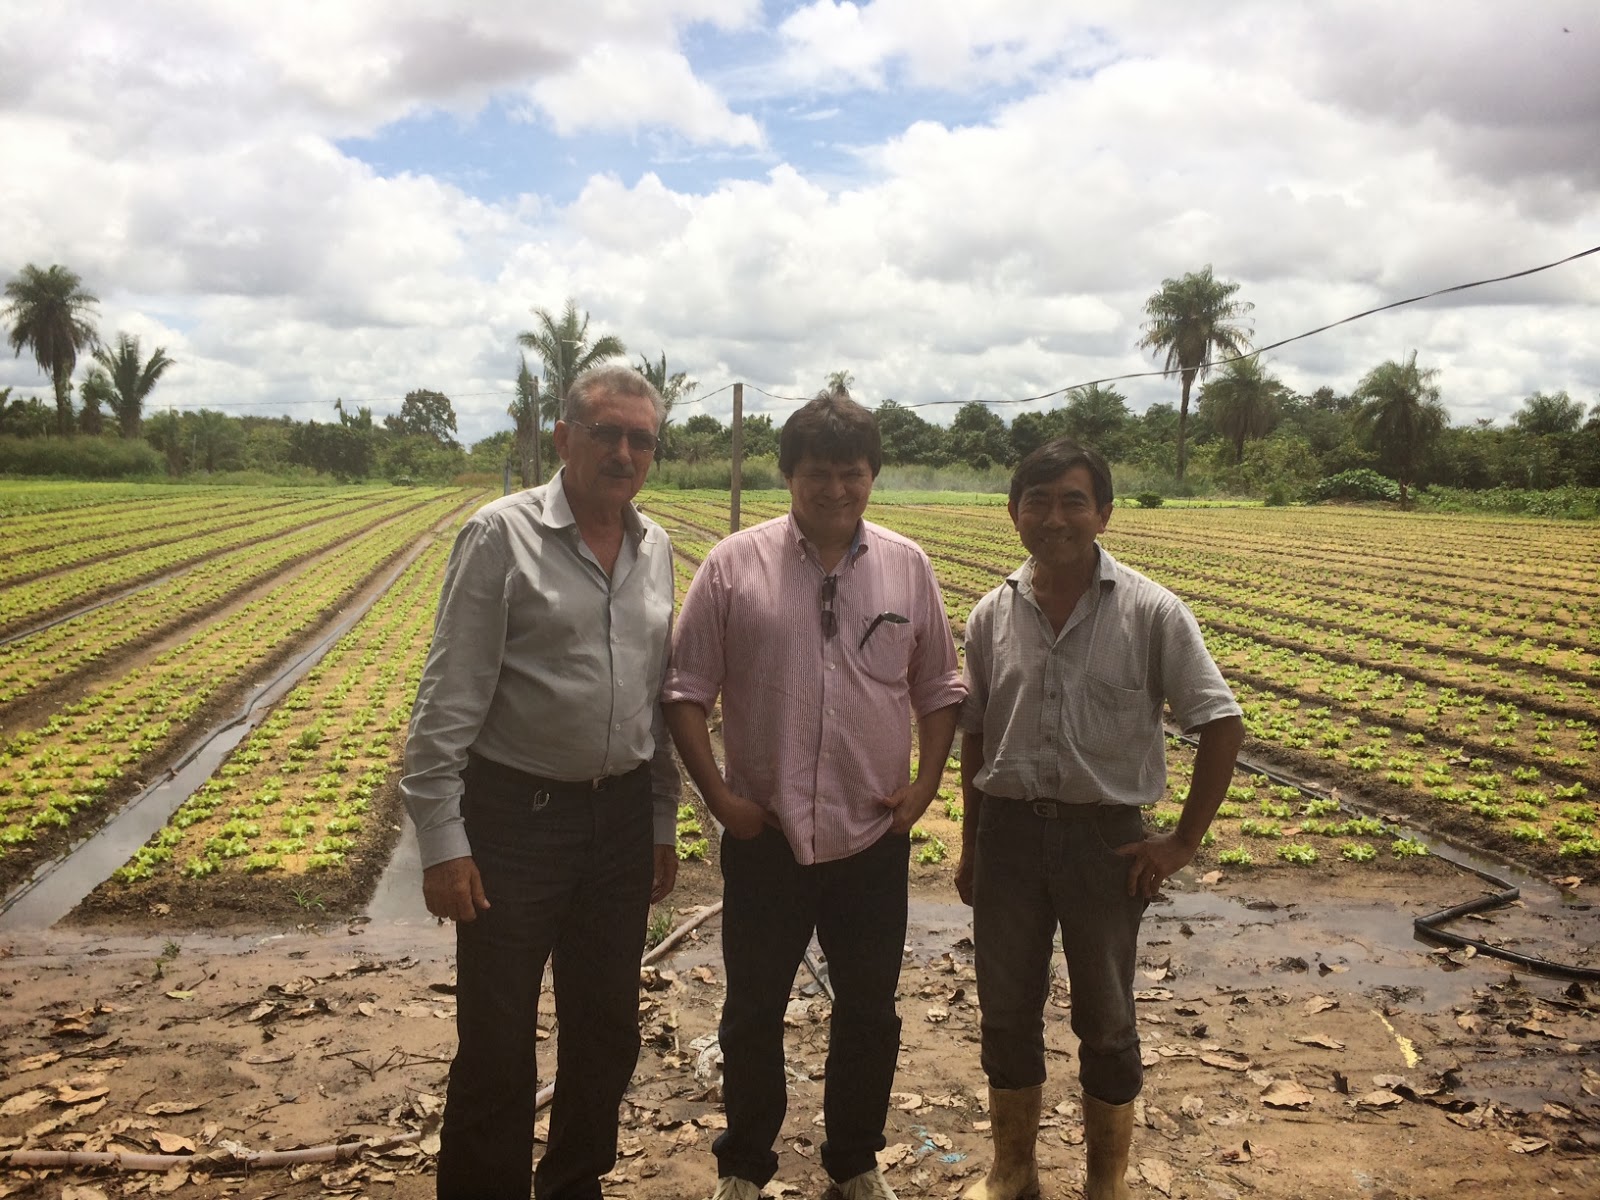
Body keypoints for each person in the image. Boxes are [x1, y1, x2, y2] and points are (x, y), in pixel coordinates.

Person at [663, 388, 966, 1200]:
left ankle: (854, 1161)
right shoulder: (735, 565)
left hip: (871, 834)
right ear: (788, 476)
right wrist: (722, 798)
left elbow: (939, 687)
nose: (836, 490)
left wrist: (926, 786)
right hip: (765, 836)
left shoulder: (908, 566)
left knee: (870, 1011)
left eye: (852, 474)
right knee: (753, 1009)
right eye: (817, 474)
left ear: (873, 476)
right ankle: (745, 1164)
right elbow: (685, 689)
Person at [400, 364, 680, 1200]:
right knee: (495, 1040)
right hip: (517, 821)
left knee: (606, 1032)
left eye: (642, 439)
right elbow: (446, 702)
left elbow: (654, 700)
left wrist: (661, 820)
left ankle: (573, 1184)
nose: (625, 452)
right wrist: (443, 845)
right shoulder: (500, 535)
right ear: (565, 439)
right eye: (608, 433)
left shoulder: (654, 545)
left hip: (621, 818)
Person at [955, 438, 1244, 1200]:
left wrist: (1182, 841)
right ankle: (1012, 1171)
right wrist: (969, 844)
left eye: (1073, 500)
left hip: (1105, 842)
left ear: (1104, 513)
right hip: (1008, 837)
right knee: (1005, 1012)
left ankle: (1104, 1182)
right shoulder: (991, 614)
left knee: (1107, 1020)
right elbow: (976, 734)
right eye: (1037, 501)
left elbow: (1220, 721)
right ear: (1013, 513)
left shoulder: (1151, 612)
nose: (1054, 517)